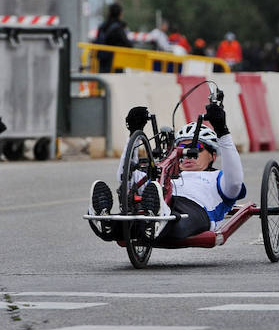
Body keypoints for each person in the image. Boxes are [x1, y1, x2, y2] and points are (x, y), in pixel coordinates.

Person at [89, 102, 245, 241]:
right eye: (181, 148)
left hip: (195, 209)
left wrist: (222, 131)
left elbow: (235, 182)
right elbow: (127, 178)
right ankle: (105, 221)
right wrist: (134, 133)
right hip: (159, 201)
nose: (187, 153)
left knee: (178, 219)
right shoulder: (164, 174)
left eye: (196, 148)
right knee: (138, 204)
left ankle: (159, 218)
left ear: (213, 155)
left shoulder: (217, 178)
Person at [94, 2, 132, 72]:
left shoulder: (102, 26)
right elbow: (127, 44)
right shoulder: (118, 28)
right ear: (120, 14)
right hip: (115, 64)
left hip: (102, 61)